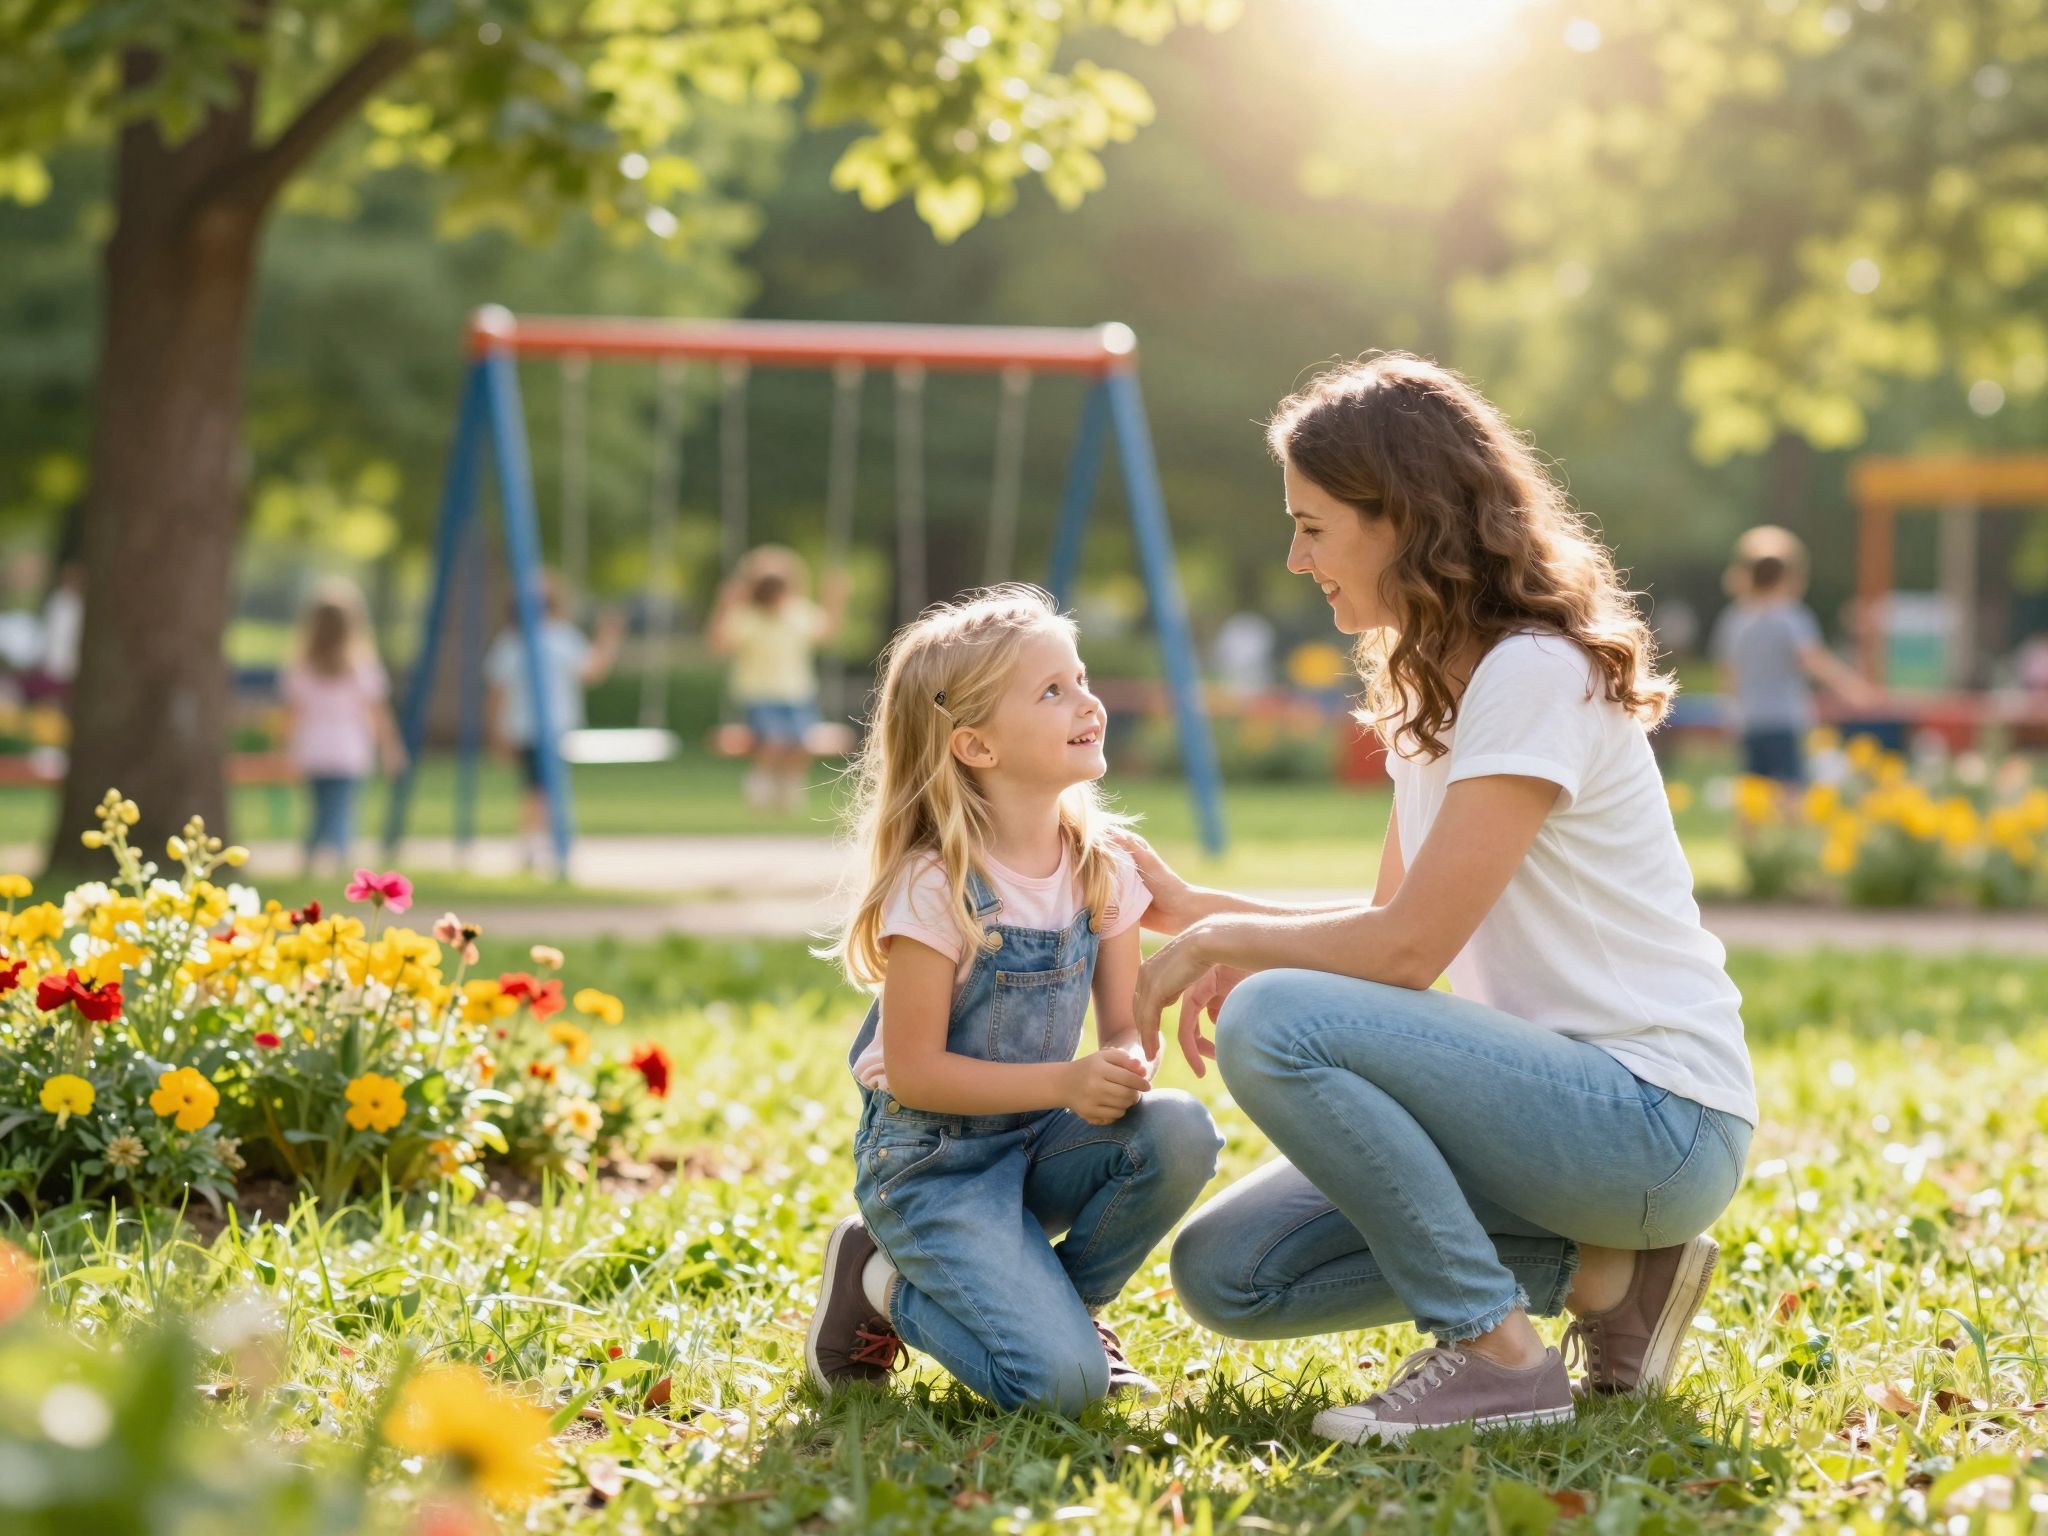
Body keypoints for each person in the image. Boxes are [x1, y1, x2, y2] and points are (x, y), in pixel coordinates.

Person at [1121, 354, 1758, 1444]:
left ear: (1401, 519)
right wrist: (1195, 911)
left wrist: (1242, 948)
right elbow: (1388, 919)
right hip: (1542, 1122)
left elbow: (1405, 953)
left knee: (1274, 1018)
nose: (1295, 556)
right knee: (1227, 1274)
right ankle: (1611, 1275)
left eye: (1314, 526)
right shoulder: (1441, 688)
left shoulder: (1532, 672)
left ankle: (1492, 1353)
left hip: (1654, 1115)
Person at [803, 585, 1222, 1413]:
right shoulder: (937, 887)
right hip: (931, 1168)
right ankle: (877, 1278)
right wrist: (1067, 1085)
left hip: (1030, 1149)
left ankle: (1072, 1310)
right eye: (1052, 691)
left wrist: (1128, 1060)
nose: (1088, 701)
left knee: (1177, 1129)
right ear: (975, 746)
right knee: (1060, 1390)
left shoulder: (1103, 866)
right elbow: (916, 1072)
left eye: (1080, 677)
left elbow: (1123, 1028)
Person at [1710, 527, 1878, 784]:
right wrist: (1854, 689)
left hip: (1751, 720)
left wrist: (1730, 716)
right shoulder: (1791, 617)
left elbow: (1729, 676)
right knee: (1791, 790)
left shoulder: (1736, 619)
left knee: (1755, 791)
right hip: (1784, 719)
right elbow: (1814, 662)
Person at [483, 574, 623, 868]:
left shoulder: (512, 641)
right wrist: (608, 638)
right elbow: (592, 671)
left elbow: (496, 693)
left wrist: (495, 731)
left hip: (528, 727)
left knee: (538, 788)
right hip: (547, 727)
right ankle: (541, 843)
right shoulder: (559, 637)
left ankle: (540, 841)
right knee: (544, 788)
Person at [707, 546, 847, 813]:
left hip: (797, 693)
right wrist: (724, 606)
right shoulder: (747, 617)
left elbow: (828, 631)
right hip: (759, 694)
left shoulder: (798, 614)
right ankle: (762, 781)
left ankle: (789, 784)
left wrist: (835, 599)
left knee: (802, 743)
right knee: (773, 740)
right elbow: (718, 645)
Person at [281, 578, 404, 875]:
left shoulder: (302, 669)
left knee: (321, 808)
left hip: (313, 748)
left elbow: (292, 714)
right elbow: (378, 713)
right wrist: (390, 748)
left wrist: (286, 746)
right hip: (348, 750)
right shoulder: (361, 668)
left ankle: (311, 856)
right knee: (340, 808)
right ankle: (340, 856)